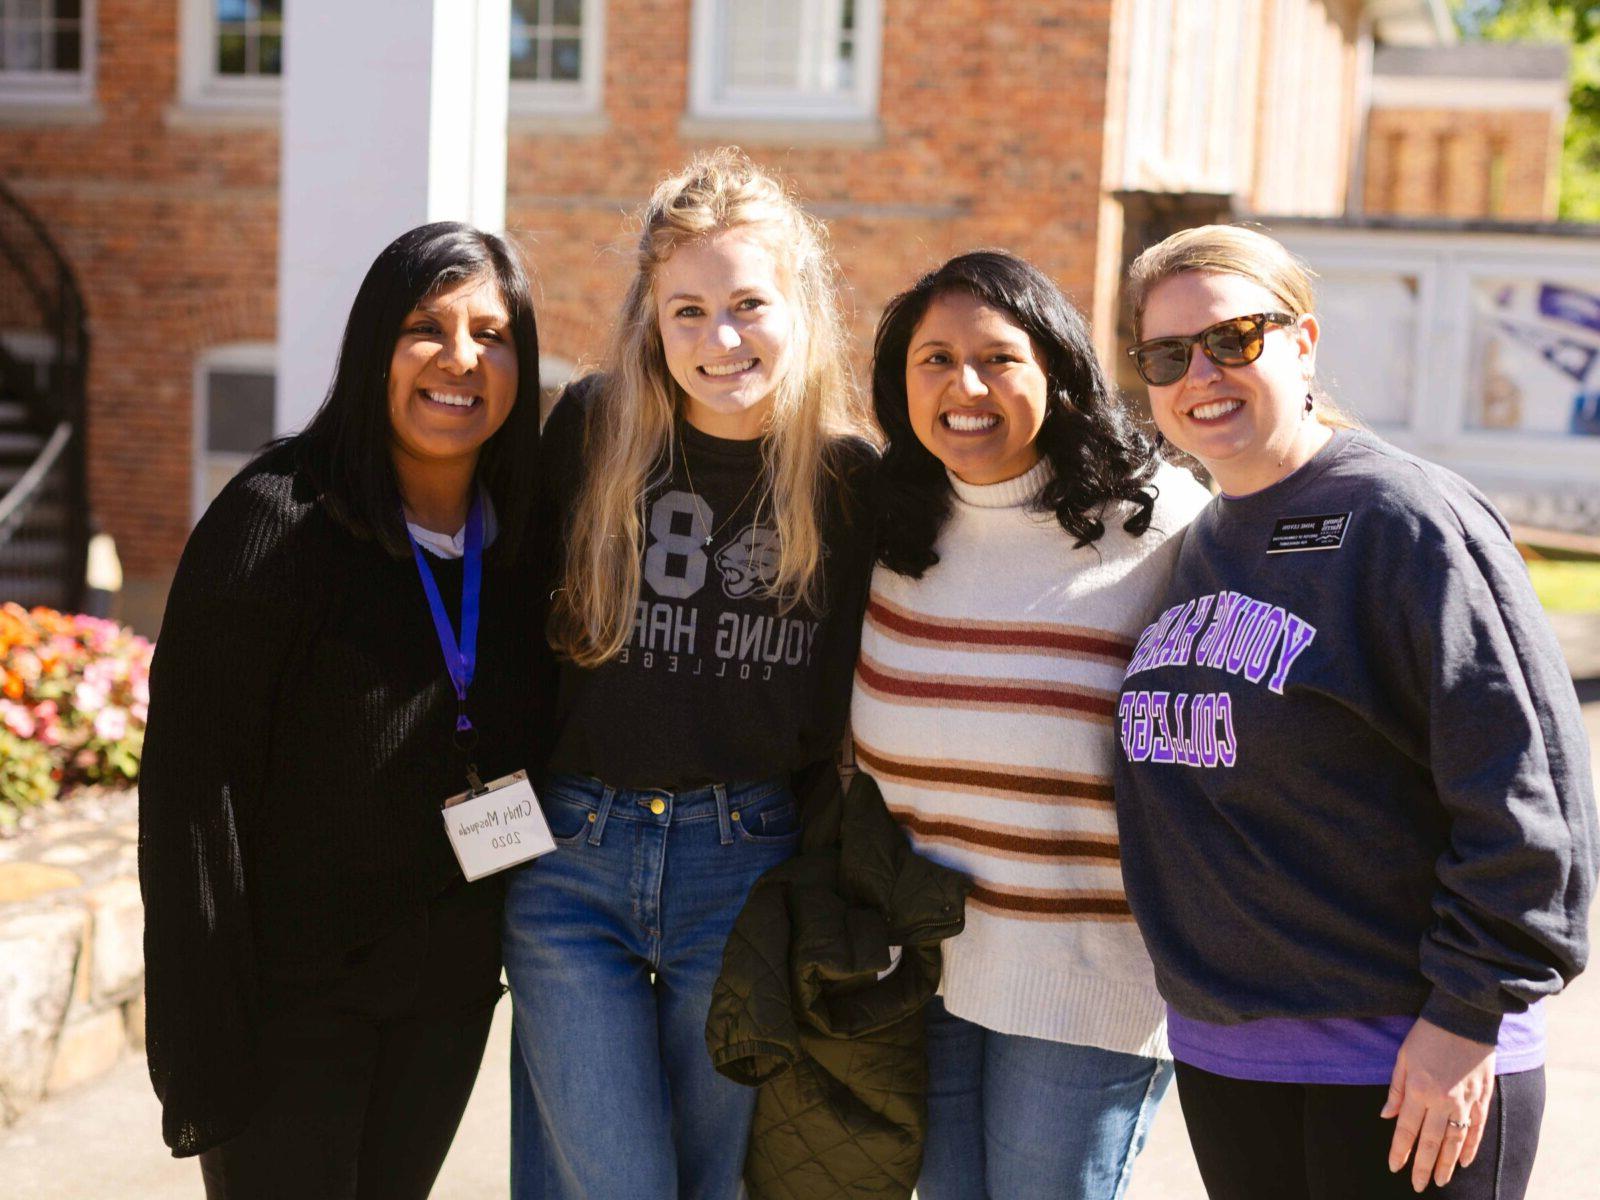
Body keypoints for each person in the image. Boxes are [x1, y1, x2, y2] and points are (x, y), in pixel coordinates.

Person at [1114, 223, 1598, 1199]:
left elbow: (1529, 792)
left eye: (1234, 338)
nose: (1199, 372)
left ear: (1302, 341)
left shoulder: (1404, 520)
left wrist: (1468, 1015)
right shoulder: (1199, 542)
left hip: (1405, 1058)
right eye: (1166, 354)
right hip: (1232, 1054)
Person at [139, 221, 545, 1199]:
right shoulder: (276, 522)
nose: (461, 360)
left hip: (445, 999)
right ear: (373, 348)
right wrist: (202, 1044)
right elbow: (195, 799)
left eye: (492, 335)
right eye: (426, 328)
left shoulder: (533, 536)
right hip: (290, 1005)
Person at [502, 148, 877, 1200]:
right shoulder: (589, 429)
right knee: (611, 1179)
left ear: (798, 305)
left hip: (745, 863)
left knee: (715, 1183)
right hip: (572, 857)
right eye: (688, 311)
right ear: (651, 322)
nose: (721, 339)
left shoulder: (851, 484)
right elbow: (506, 629)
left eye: (748, 303)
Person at [852, 249, 1211, 1199]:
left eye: (999, 358)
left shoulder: (1159, 523)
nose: (964, 386)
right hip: (919, 968)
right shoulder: (888, 526)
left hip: (1087, 979)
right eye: (933, 359)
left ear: (1057, 369)